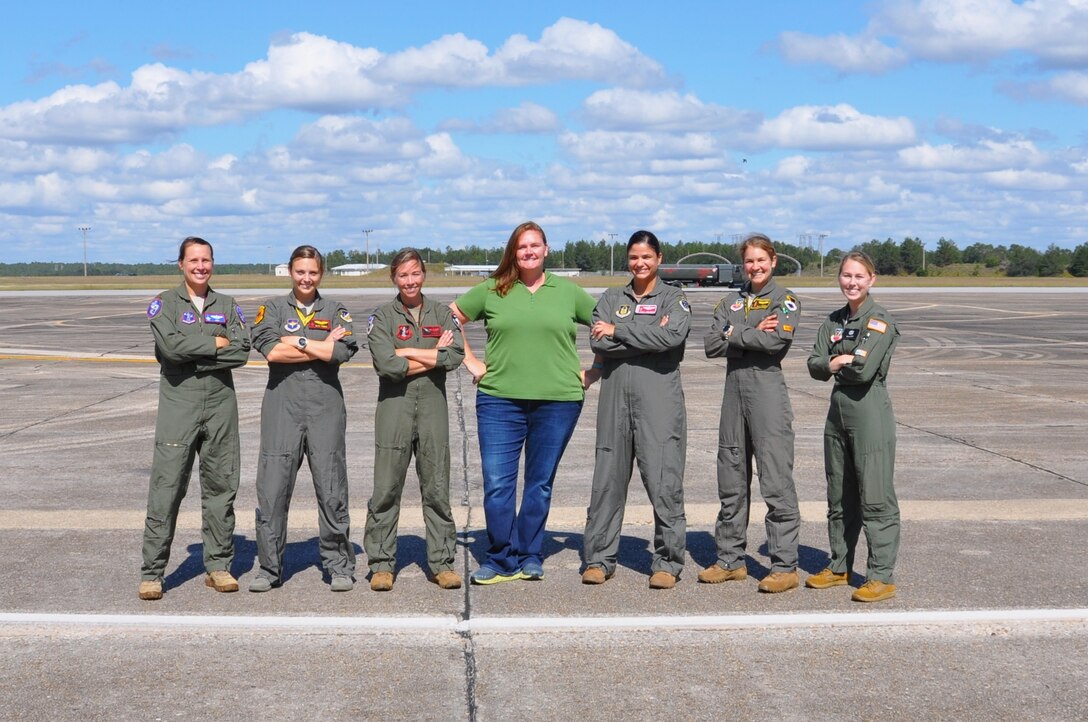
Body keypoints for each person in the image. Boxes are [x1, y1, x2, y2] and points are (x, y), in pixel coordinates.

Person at [450, 221, 597, 584]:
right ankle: (501, 556)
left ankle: (530, 553)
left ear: (547, 250)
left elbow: (607, 324)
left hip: (558, 401)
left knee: (539, 482)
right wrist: (471, 361)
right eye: (521, 247)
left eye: (535, 245)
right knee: (498, 482)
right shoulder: (492, 289)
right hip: (500, 400)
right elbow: (449, 317)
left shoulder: (568, 292)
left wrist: (594, 372)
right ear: (512, 252)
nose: (528, 252)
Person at [139, 236, 251, 601]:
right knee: (167, 488)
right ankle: (153, 572)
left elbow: (242, 352)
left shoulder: (229, 305)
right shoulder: (164, 304)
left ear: (212, 263)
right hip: (179, 407)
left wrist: (194, 352)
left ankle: (218, 566)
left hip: (221, 407)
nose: (200, 266)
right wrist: (214, 343)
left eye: (206, 260)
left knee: (222, 487)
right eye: (194, 260)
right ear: (181, 264)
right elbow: (169, 348)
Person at [581, 230, 691, 590]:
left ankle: (668, 561)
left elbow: (672, 339)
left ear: (659, 258)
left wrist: (619, 331)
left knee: (663, 481)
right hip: (615, 401)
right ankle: (599, 558)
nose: (639, 263)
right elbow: (598, 340)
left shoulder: (674, 299)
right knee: (607, 481)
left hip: (658, 402)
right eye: (633, 257)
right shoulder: (613, 297)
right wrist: (643, 335)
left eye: (646, 256)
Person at [248, 245, 358, 593]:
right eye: (300, 272)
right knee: (273, 488)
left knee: (331, 488)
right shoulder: (272, 308)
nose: (306, 278)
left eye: (312, 272)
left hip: (325, 408)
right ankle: (270, 567)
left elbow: (340, 352)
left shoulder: (336, 309)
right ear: (290, 273)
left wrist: (294, 341)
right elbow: (270, 350)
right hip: (283, 407)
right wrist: (315, 343)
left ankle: (339, 565)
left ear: (320, 273)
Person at [699, 233, 802, 593]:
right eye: (749, 261)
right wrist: (749, 331)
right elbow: (710, 344)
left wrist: (734, 334)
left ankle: (784, 565)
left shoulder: (785, 301)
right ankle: (729, 560)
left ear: (773, 261)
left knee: (775, 481)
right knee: (731, 478)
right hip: (734, 396)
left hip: (767, 394)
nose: (755, 267)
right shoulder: (731, 301)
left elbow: (775, 343)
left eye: (761, 260)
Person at [363, 249, 465, 592]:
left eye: (415, 274)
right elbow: (386, 365)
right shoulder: (383, 317)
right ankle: (381, 564)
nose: (410, 281)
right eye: (403, 275)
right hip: (395, 408)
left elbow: (454, 356)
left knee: (436, 487)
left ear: (424, 275)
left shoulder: (440, 312)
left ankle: (442, 562)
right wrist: (432, 355)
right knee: (386, 489)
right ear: (394, 278)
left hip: (433, 409)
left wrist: (407, 352)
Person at [806, 251, 901, 602]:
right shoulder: (833, 320)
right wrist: (838, 360)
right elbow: (813, 364)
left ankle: (881, 575)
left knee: (875, 495)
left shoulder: (879, 321)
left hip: (869, 409)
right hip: (838, 410)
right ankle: (839, 565)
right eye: (846, 275)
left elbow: (861, 370)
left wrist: (834, 362)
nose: (852, 282)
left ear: (871, 280)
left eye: (859, 276)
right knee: (839, 495)